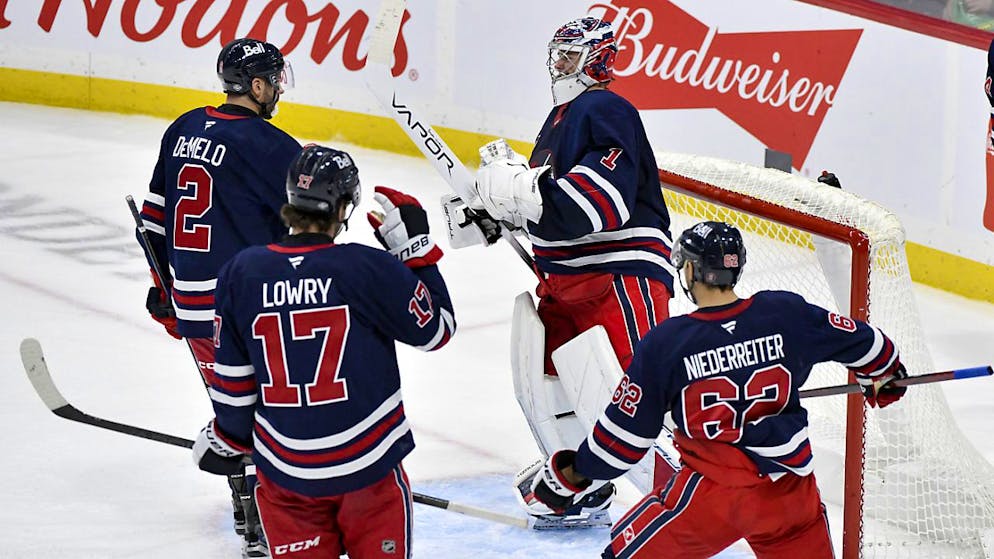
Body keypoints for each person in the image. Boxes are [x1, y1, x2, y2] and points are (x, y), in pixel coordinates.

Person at [528, 221, 909, 559]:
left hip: (712, 497)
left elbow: (623, 439)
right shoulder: (785, 313)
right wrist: (884, 374)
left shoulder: (668, 342)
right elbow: (868, 343)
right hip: (791, 491)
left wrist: (573, 474)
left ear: (690, 269)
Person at [191, 145, 455, 559]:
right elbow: (436, 330)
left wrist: (226, 437)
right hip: (368, 471)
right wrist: (414, 251)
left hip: (287, 479)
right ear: (344, 205)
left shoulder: (242, 273)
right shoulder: (367, 267)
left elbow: (235, 386)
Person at [465, 17, 675, 520]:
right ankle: (582, 486)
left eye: (570, 55)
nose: (558, 65)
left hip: (617, 275)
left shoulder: (605, 107)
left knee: (634, 394)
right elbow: (550, 208)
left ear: (598, 60)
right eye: (556, 55)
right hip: (566, 282)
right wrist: (497, 212)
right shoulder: (558, 118)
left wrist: (523, 190)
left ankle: (685, 495)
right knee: (549, 387)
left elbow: (596, 206)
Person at [138, 37, 301, 557]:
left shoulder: (183, 128)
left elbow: (153, 221)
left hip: (191, 302)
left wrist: (163, 287)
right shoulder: (274, 147)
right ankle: (273, 517)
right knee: (274, 407)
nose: (278, 89)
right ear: (256, 86)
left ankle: (247, 512)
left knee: (232, 405)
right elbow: (309, 233)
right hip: (250, 307)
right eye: (273, 80)